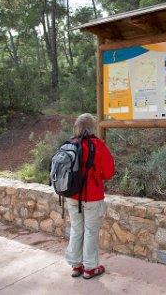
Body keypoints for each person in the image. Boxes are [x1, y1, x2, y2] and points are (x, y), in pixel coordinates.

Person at [65, 113, 115, 279]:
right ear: (92, 127)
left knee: (76, 230)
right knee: (90, 232)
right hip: (92, 196)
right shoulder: (98, 145)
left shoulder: (70, 144)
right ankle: (90, 268)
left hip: (72, 195)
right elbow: (109, 173)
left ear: (77, 127)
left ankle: (76, 265)